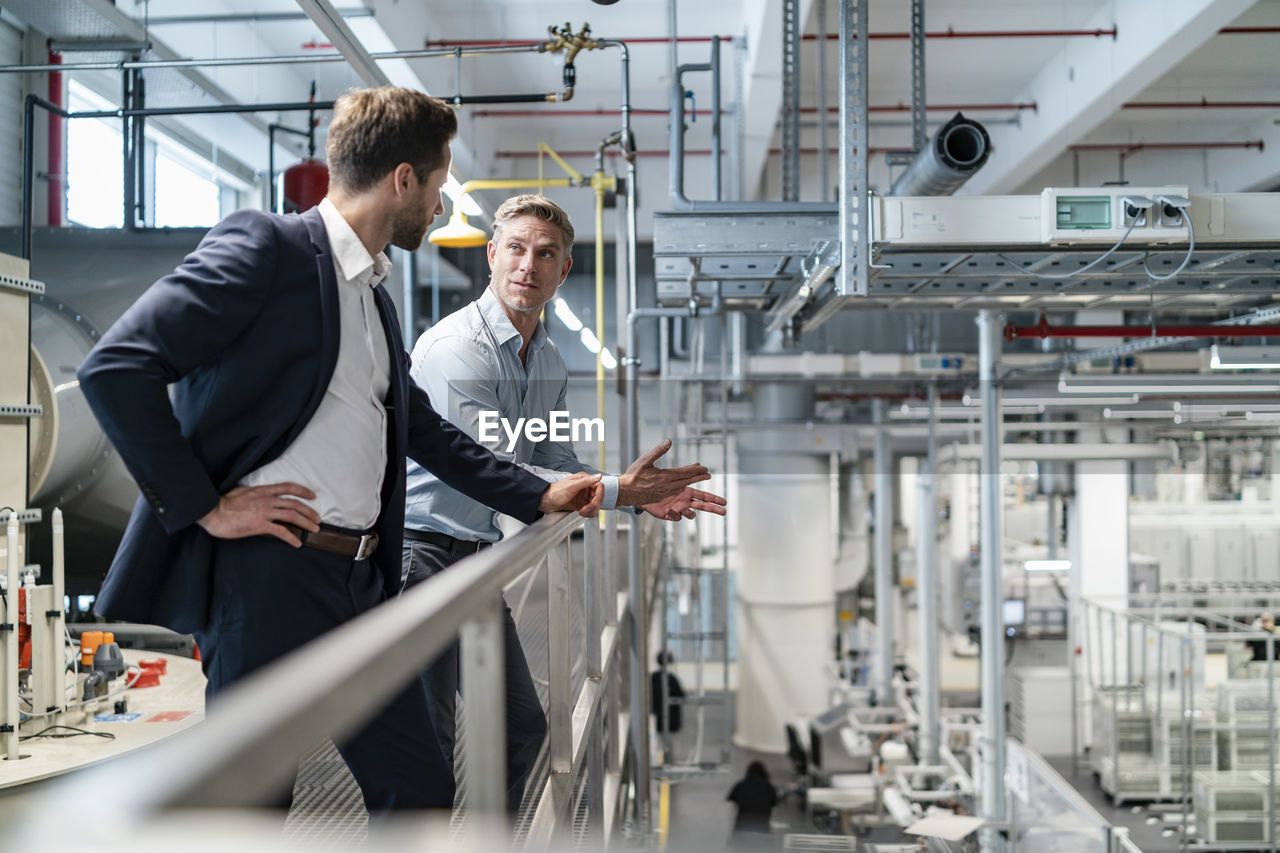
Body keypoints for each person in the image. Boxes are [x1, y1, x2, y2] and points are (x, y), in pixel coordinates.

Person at [74, 87, 604, 815]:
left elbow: (418, 428)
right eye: (441, 182)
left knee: (416, 788)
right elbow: (117, 366)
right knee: (251, 806)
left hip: (359, 583)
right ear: (404, 179)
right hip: (267, 578)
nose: (442, 204)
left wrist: (539, 493)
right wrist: (204, 504)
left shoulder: (372, 294)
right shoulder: (269, 248)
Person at [401, 193, 727, 810]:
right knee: (427, 753)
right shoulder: (456, 349)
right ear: (492, 255)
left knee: (521, 727)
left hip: (472, 559)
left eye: (545, 254)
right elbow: (486, 469)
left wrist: (632, 497)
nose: (529, 265)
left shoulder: (545, 357)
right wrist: (615, 490)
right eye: (517, 249)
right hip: (415, 558)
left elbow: (550, 464)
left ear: (563, 269)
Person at [727, 761, 779, 846]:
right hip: (762, 830)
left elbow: (730, 805)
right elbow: (774, 805)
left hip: (741, 829)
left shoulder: (740, 785)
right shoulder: (769, 787)